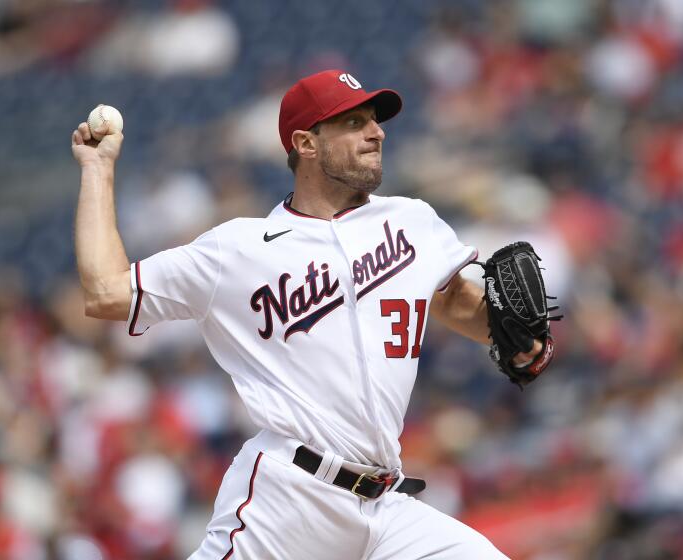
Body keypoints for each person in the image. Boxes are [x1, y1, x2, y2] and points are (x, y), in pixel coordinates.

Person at [71, 69, 542, 559]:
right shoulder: (238, 249)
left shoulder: (412, 221)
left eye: (375, 121)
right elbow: (106, 292)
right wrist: (97, 169)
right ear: (307, 143)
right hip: (288, 501)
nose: (376, 132)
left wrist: (511, 336)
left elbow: (449, 298)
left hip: (387, 506)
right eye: (355, 122)